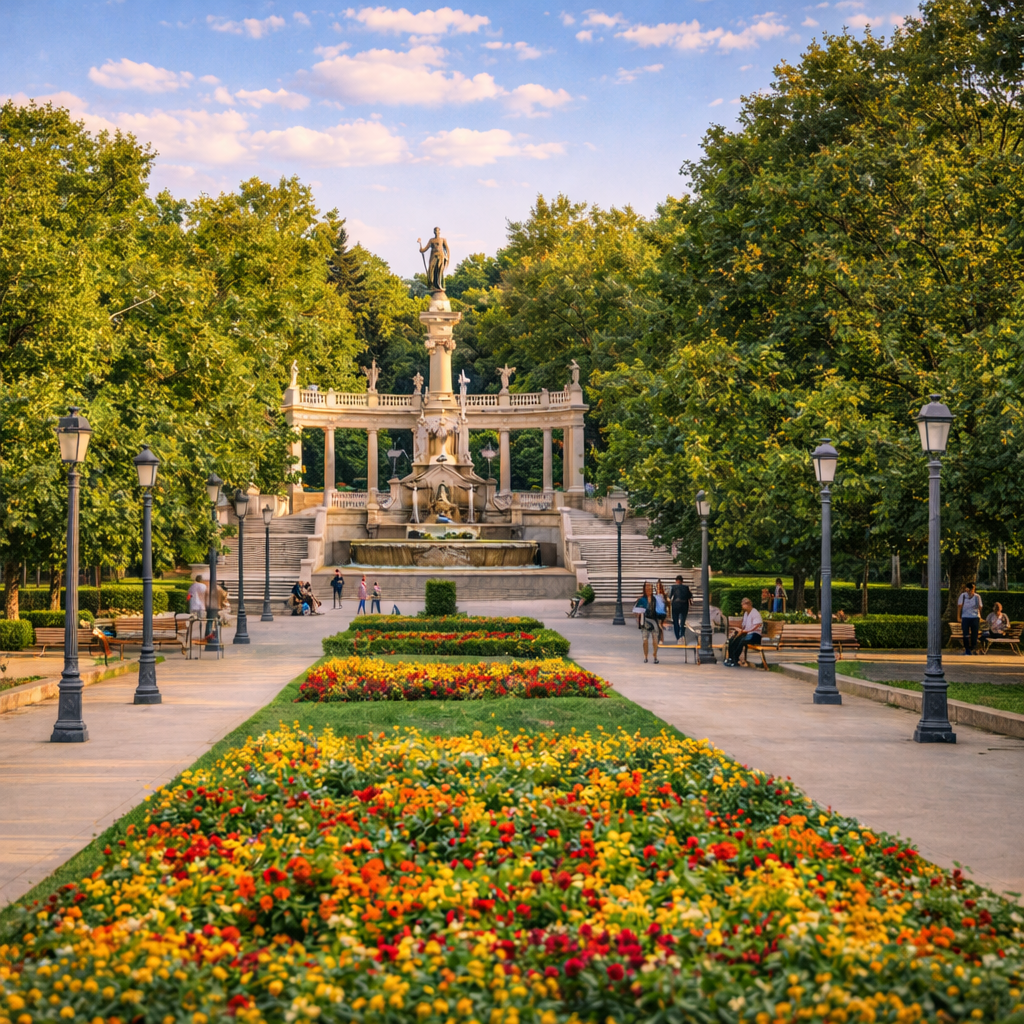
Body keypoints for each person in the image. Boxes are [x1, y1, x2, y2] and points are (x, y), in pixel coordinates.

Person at [723, 597, 763, 668]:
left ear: (748, 604)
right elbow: (744, 626)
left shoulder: (755, 613)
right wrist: (740, 631)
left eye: (743, 604)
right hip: (747, 633)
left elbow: (757, 625)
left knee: (742, 640)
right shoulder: (746, 614)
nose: (742, 606)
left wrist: (747, 631)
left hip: (755, 635)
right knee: (733, 640)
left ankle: (735, 659)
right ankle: (731, 658)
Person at [633, 582, 660, 664]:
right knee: (645, 640)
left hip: (654, 621)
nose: (649, 589)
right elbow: (636, 610)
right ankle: (645, 656)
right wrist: (638, 616)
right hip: (645, 622)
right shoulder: (642, 599)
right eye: (647, 587)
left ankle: (655, 656)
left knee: (655, 640)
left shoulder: (655, 599)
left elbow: (659, 610)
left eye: (650, 587)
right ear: (644, 588)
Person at [958, 582, 983, 655]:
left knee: (974, 634)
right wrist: (958, 617)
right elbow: (959, 606)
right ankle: (967, 649)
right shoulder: (963, 596)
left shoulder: (977, 596)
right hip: (965, 617)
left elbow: (980, 606)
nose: (971, 591)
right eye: (970, 589)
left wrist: (979, 615)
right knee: (965, 634)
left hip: (975, 617)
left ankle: (973, 648)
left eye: (973, 589)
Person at [670, 575, 693, 642]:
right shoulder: (686, 587)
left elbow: (669, 596)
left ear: (676, 581)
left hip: (675, 605)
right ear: (682, 581)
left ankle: (678, 637)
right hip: (684, 605)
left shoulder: (673, 587)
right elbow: (690, 596)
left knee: (675, 621)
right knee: (683, 622)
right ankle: (682, 635)